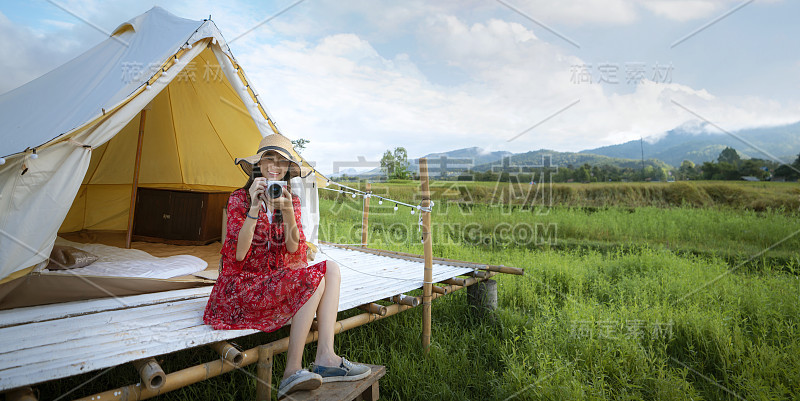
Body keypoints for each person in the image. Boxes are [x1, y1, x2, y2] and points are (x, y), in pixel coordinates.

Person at [203, 134, 370, 399]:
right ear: (258, 164)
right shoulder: (240, 198)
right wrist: (255, 207)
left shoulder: (289, 199)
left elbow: (294, 250)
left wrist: (289, 213)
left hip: (272, 280)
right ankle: (291, 371)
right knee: (313, 279)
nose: (274, 166)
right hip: (242, 288)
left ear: (287, 170)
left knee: (332, 269)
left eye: (281, 162)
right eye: (269, 159)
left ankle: (326, 356)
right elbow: (238, 254)